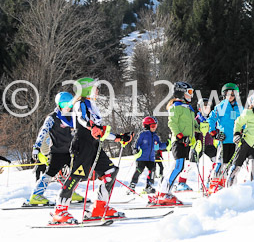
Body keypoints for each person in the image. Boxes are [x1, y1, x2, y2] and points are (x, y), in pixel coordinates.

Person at [51, 78, 133, 224]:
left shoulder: (91, 105)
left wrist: (118, 138)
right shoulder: (80, 103)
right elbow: (83, 118)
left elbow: (99, 130)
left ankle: (99, 208)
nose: (98, 90)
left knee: (111, 171)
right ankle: (59, 211)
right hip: (82, 143)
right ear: (87, 89)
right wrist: (91, 126)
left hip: (94, 144)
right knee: (76, 175)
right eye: (95, 87)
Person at [28, 92, 85, 206]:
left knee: (75, 172)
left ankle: (69, 192)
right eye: (63, 104)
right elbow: (43, 132)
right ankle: (36, 195)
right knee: (50, 173)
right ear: (58, 104)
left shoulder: (73, 116)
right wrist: (36, 147)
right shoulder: (52, 117)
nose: (67, 107)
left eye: (69, 104)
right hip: (57, 151)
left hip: (70, 151)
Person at [151, 81, 199, 205]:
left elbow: (193, 125)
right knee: (178, 166)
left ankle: (161, 191)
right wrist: (180, 136)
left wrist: (201, 127)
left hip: (187, 142)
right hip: (179, 141)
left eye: (191, 92)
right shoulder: (176, 106)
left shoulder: (188, 108)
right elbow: (172, 123)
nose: (191, 95)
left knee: (176, 167)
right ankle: (164, 193)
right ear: (181, 93)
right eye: (189, 92)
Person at [207, 83, 243, 193]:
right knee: (220, 163)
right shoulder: (220, 106)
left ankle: (230, 186)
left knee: (233, 165)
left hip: (236, 141)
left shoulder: (240, 108)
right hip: (224, 139)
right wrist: (214, 133)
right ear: (224, 95)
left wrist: (243, 133)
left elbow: (244, 122)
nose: (231, 96)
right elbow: (211, 120)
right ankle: (214, 185)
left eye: (233, 94)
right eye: (228, 94)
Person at [130, 116, 167, 194]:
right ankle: (132, 186)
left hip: (151, 158)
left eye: (155, 126)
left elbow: (159, 146)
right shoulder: (143, 134)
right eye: (153, 126)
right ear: (147, 126)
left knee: (152, 170)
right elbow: (136, 143)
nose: (154, 128)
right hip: (141, 157)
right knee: (139, 170)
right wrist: (135, 149)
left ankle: (149, 186)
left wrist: (167, 144)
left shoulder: (155, 136)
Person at [193, 98, 218, 192]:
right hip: (198, 145)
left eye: (208, 106)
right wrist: (195, 143)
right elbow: (194, 131)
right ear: (199, 108)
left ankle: (209, 180)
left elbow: (216, 129)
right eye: (205, 106)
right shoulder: (197, 119)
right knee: (191, 163)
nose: (207, 108)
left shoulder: (212, 119)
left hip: (209, 144)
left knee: (216, 162)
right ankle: (181, 182)